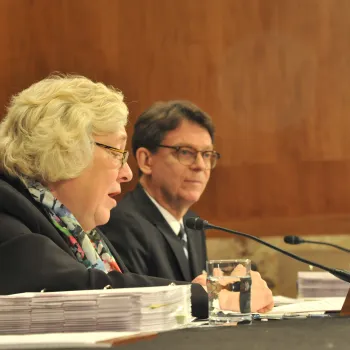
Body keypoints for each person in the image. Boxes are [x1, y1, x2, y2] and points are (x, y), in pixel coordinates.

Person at [0, 75, 273, 318]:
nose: (126, 173)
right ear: (65, 151)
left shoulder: (77, 232)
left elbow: (118, 283)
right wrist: (209, 294)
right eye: (117, 153)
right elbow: (81, 292)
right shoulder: (7, 212)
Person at [100, 101, 216, 282]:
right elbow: (139, 305)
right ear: (146, 160)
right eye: (185, 152)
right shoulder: (122, 225)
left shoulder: (192, 224)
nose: (200, 165)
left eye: (207, 154)